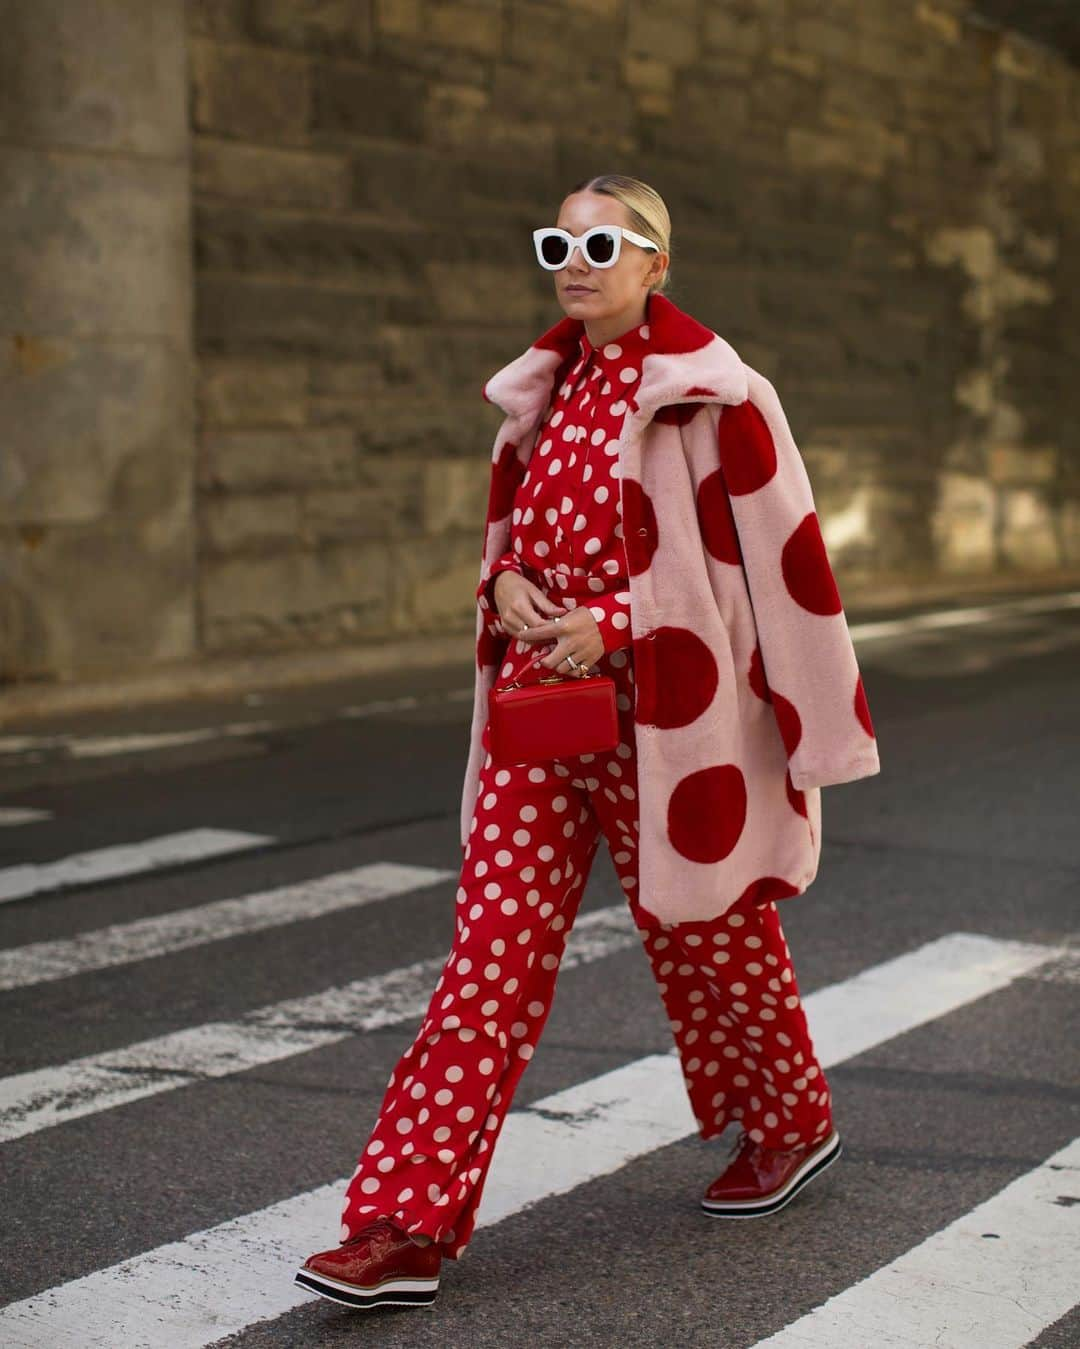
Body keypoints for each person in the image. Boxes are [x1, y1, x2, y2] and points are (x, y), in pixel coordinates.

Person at [295, 173, 880, 1312]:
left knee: (711, 927)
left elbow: (778, 567)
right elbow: (518, 536)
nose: (576, 257)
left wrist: (619, 623)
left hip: (668, 718)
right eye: (559, 238)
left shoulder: (719, 394)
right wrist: (506, 580)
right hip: (539, 716)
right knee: (488, 963)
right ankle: (401, 1222)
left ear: (658, 263)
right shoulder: (544, 390)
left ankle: (794, 1122)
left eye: (603, 240)